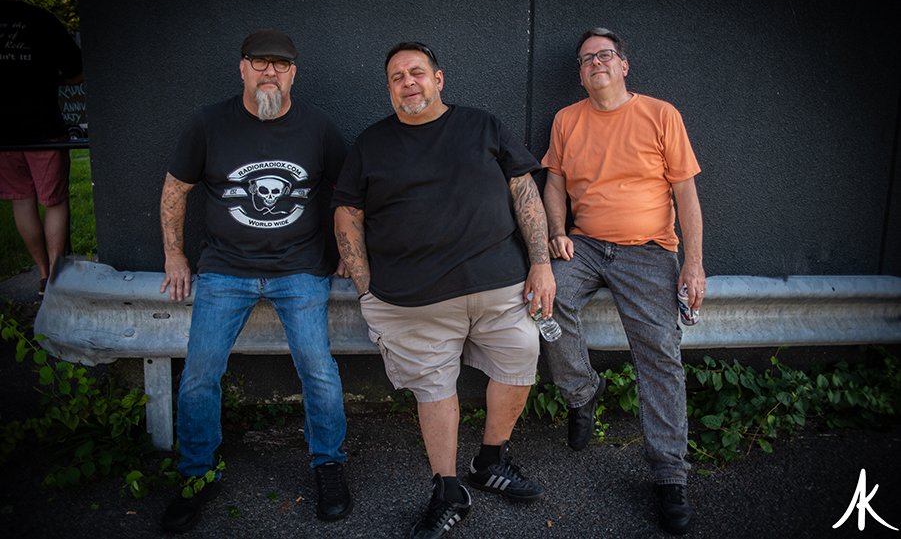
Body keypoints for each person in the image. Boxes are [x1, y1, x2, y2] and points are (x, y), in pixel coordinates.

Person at [333, 42, 555, 539]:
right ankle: (448, 488)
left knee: (520, 360)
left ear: (438, 79)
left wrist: (541, 263)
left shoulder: (483, 126)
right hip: (412, 298)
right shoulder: (371, 143)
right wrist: (365, 287)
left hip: (500, 285)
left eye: (417, 72)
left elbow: (524, 191)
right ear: (389, 89)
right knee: (433, 388)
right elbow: (347, 212)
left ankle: (491, 460)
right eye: (396, 77)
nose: (407, 82)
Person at [158, 29, 352, 532]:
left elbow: (351, 190)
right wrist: (175, 255)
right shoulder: (208, 123)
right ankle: (197, 474)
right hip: (225, 269)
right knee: (200, 374)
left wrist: (350, 251)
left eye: (280, 64)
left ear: (294, 73)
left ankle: (328, 464)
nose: (270, 72)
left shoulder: (318, 127)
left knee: (318, 370)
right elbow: (176, 189)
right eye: (260, 62)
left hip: (300, 269)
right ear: (242, 68)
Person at [540, 27, 705, 536]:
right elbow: (554, 183)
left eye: (605, 55)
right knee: (546, 299)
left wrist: (694, 262)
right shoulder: (567, 119)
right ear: (580, 74)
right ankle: (581, 392)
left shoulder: (661, 114)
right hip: (585, 245)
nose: (596, 63)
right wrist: (555, 233)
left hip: (649, 251)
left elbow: (686, 194)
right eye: (587, 59)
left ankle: (670, 474)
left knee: (659, 354)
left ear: (624, 65)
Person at [0, 0, 83, 295]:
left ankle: (41, 271)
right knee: (54, 200)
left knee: (21, 199)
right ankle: (55, 279)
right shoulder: (40, 20)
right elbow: (77, 71)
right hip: (44, 126)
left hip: (3, 133)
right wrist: (52, 81)